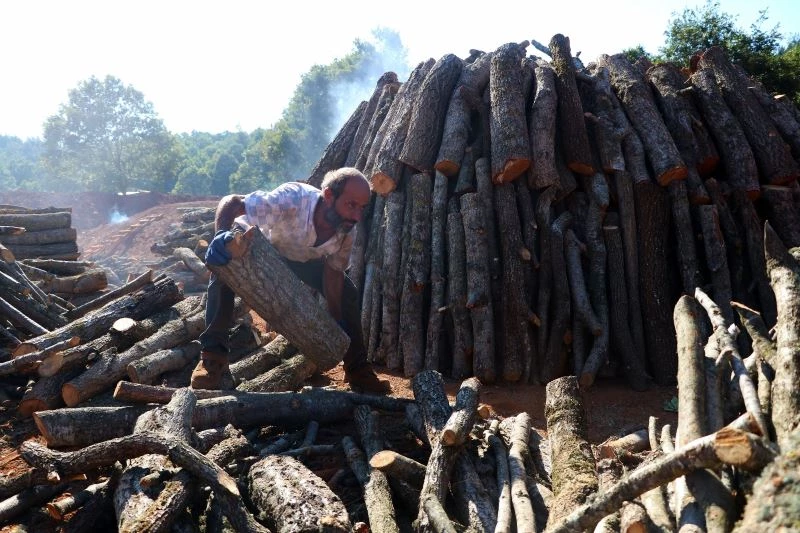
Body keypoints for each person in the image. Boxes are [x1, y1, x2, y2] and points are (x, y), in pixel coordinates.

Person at [190, 167, 391, 395]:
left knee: (347, 292)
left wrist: (337, 317)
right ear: (328, 196)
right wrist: (221, 236)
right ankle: (212, 360)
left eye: (361, 208)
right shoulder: (293, 199)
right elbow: (232, 202)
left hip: (298, 257)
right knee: (224, 270)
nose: (356, 216)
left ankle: (358, 371)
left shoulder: (346, 232)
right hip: (259, 244)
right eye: (351, 205)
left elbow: (333, 273)